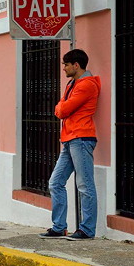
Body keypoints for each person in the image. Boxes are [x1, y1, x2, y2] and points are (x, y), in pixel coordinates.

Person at [40, 48, 101, 241]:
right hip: (69, 139)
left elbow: (62, 110)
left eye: (66, 64)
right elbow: (61, 106)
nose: (64, 68)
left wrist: (60, 108)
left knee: (84, 185)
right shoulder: (72, 84)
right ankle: (59, 227)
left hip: (81, 138)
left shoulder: (86, 85)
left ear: (76, 65)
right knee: (55, 183)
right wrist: (61, 107)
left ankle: (87, 230)